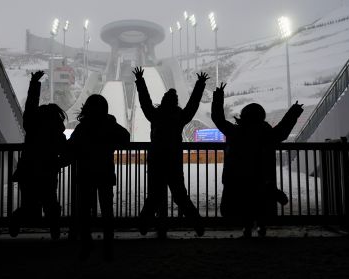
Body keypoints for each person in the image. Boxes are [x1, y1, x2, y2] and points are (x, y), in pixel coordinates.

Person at [211, 82, 304, 237]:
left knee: (242, 202)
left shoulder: (235, 131)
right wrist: (293, 112)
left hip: (237, 175)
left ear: (243, 115)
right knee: (259, 201)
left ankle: (247, 226)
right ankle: (261, 224)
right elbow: (282, 130)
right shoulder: (266, 133)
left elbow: (218, 119)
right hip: (260, 175)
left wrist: (218, 96)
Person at [133, 66, 208, 238]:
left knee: (153, 196)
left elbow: (145, 101)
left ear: (164, 100)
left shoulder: (155, 115)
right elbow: (193, 104)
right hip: (173, 160)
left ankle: (144, 225)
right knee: (180, 195)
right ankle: (197, 225)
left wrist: (140, 81)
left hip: (156, 159)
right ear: (175, 103)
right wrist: (200, 84)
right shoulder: (180, 117)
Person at [67, 94, 130, 261]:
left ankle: (87, 245)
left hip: (85, 174)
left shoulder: (83, 127)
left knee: (85, 212)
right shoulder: (109, 126)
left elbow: (70, 148)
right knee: (107, 212)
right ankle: (108, 248)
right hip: (105, 174)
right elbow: (125, 138)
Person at [9, 71, 67, 240]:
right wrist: (58, 164)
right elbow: (66, 153)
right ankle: (55, 230)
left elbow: (30, 106)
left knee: (29, 206)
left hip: (27, 172)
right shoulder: (57, 134)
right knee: (51, 204)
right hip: (48, 174)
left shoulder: (32, 128)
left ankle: (16, 219)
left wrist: (35, 83)